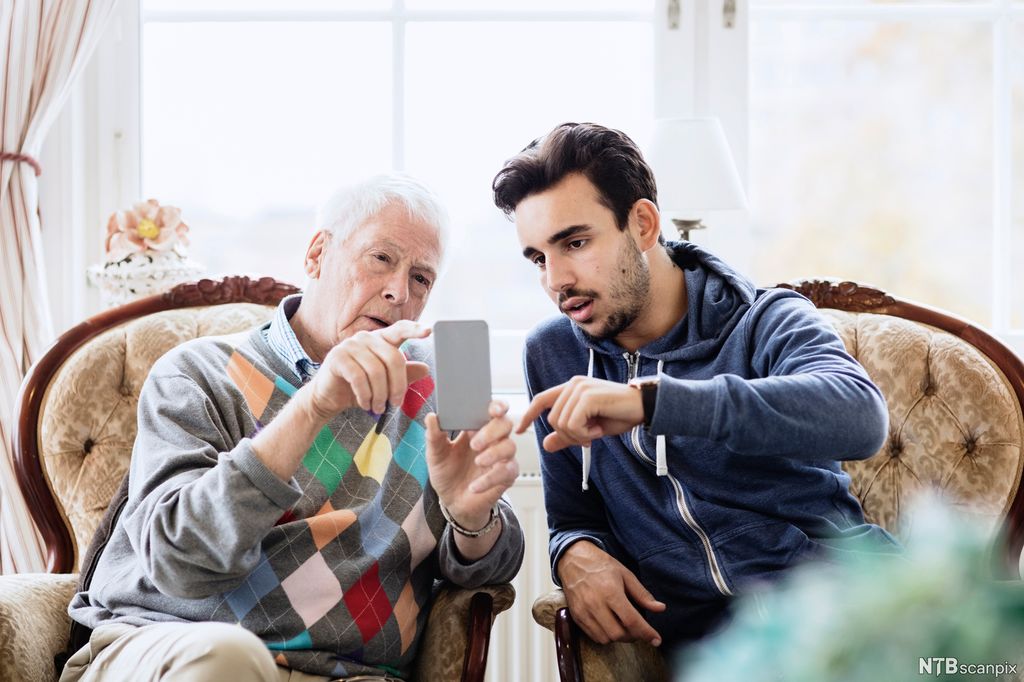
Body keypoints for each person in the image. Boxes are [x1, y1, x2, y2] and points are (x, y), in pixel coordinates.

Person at [62, 173, 524, 682]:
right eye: (381, 258)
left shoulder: (436, 381)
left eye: (421, 278)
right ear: (317, 255)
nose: (398, 291)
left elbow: (492, 567)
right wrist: (312, 406)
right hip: (176, 647)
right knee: (227, 660)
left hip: (348, 674)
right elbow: (180, 562)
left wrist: (472, 517)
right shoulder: (197, 374)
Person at [491, 122, 898, 654]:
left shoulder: (764, 319)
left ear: (642, 224)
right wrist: (572, 551)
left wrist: (652, 402)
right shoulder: (553, 354)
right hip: (709, 650)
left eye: (575, 243)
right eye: (539, 258)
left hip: (849, 616)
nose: (556, 280)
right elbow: (574, 515)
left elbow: (860, 417)